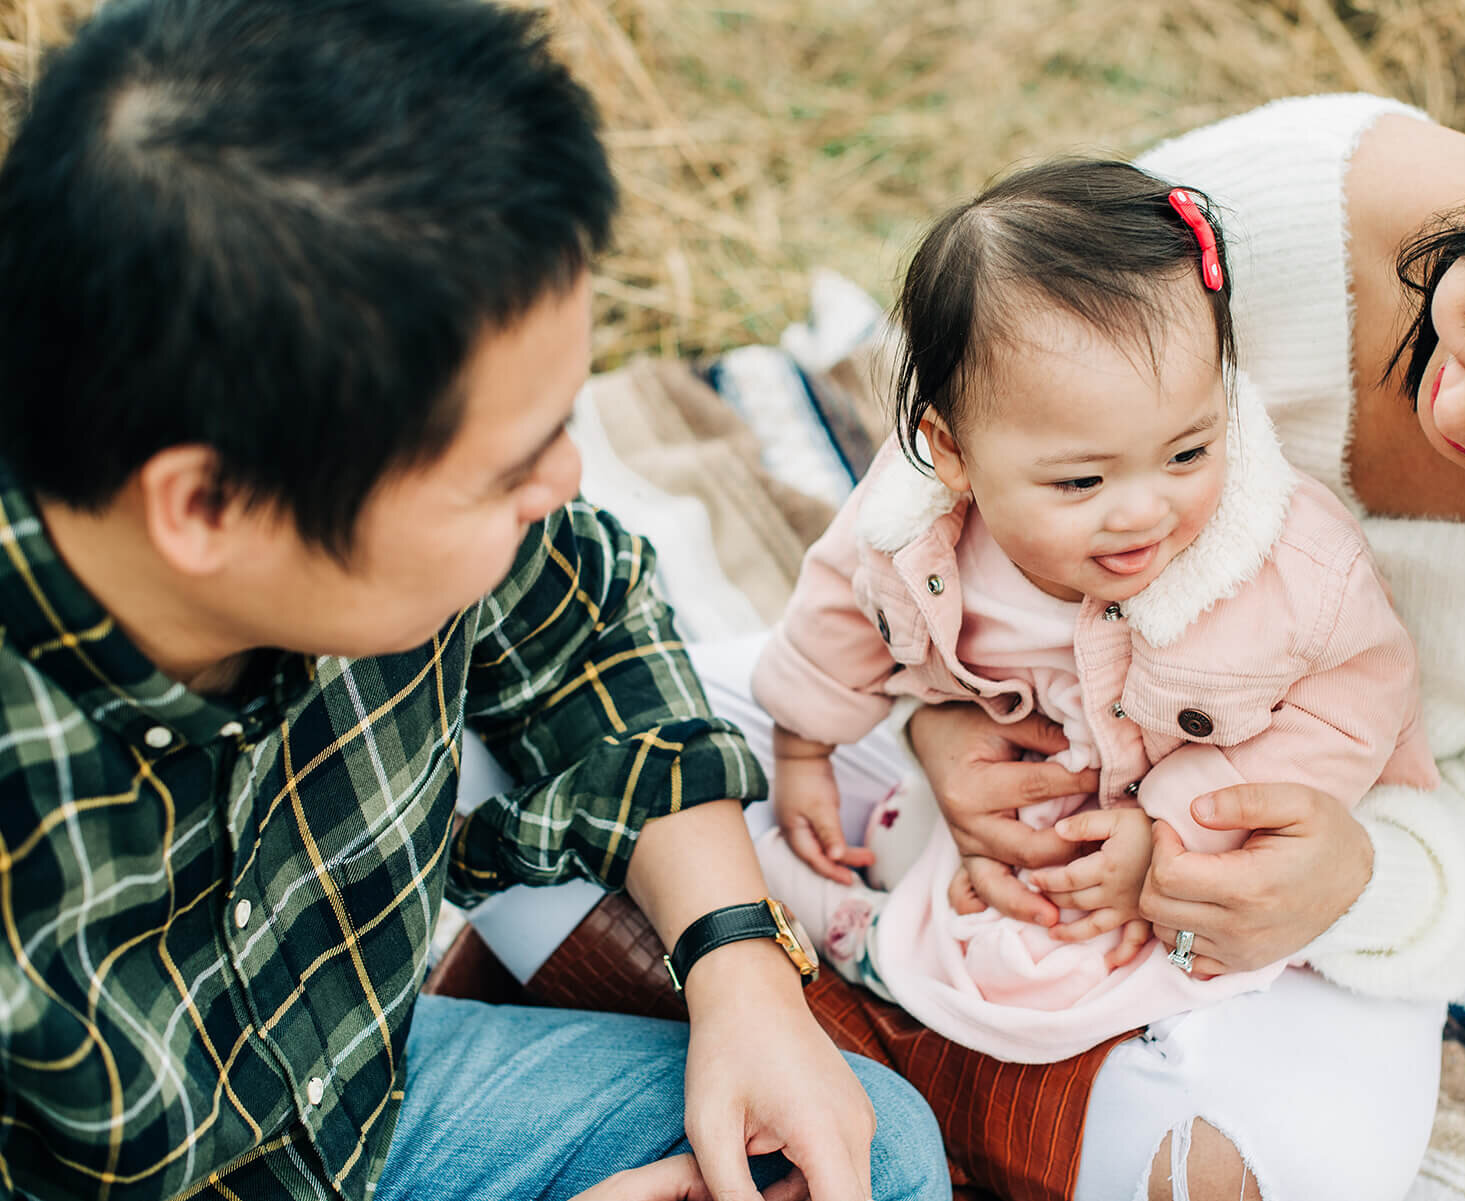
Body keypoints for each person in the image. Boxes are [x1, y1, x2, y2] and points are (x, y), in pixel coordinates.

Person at [0, 2, 951, 1200]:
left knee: (856, 1144)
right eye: (508, 468)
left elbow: (592, 641)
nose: (563, 479)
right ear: (208, 506)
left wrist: (739, 965)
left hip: (365, 1101)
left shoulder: (377, 467)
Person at [878, 90, 1465, 1199]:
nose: (1455, 406)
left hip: (1265, 898)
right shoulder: (1287, 205)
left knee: (1262, 1171)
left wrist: (1354, 884)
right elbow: (972, 403)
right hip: (1002, 706)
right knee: (699, 775)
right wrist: (939, 708)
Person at [747, 159, 1437, 1065]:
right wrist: (804, 749)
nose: (1145, 509)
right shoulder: (916, 528)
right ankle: (876, 939)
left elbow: (1358, 702)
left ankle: (896, 976)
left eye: (1188, 451)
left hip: (1180, 830)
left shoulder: (1288, 569)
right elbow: (840, 604)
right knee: (771, 805)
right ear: (951, 454)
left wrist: (1176, 825)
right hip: (1020, 781)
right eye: (1082, 480)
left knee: (1076, 972)